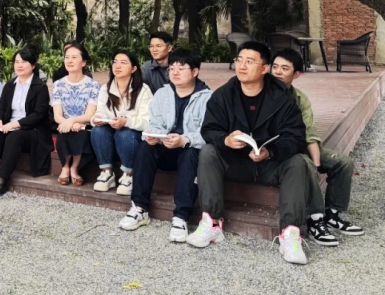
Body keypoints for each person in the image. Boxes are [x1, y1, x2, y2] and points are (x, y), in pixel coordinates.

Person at [189, 41, 312, 265]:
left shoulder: (283, 98)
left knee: (297, 162)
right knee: (208, 152)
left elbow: (295, 137)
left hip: (270, 164)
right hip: (237, 163)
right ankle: (211, 223)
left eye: (249, 61)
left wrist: (269, 151)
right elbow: (209, 129)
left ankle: (290, 234)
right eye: (239, 60)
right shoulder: (224, 95)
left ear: (264, 68)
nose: (242, 66)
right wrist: (225, 140)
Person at [271, 48, 364, 244]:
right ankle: (315, 219)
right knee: (305, 164)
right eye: (275, 67)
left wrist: (317, 163)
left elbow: (310, 134)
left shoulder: (299, 98)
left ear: (296, 74)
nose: (278, 72)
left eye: (284, 68)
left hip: (302, 146)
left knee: (343, 162)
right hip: (280, 152)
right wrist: (310, 166)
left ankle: (332, 214)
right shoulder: (263, 94)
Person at [119, 49, 212, 242]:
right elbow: (155, 122)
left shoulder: (207, 98)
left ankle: (181, 217)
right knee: (145, 147)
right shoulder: (162, 93)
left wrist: (184, 140)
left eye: (181, 68)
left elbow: (208, 133)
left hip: (187, 151)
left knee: (191, 153)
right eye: (172, 68)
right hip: (165, 147)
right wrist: (154, 135)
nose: (175, 72)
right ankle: (139, 208)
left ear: (195, 71)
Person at [0, 48, 52, 198]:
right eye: (17, 62)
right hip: (10, 127)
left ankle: (0, 181)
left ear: (33, 65)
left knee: (14, 136)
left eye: (24, 62)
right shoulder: (10, 85)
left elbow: (38, 115)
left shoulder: (40, 87)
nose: (19, 65)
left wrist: (14, 125)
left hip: (33, 131)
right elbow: (2, 107)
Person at [90, 51, 153, 195]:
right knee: (97, 131)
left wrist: (126, 121)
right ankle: (107, 173)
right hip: (111, 131)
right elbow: (100, 111)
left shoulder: (143, 90)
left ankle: (129, 175)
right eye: (115, 62)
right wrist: (98, 118)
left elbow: (147, 121)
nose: (117, 66)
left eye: (123, 63)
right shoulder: (105, 88)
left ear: (134, 68)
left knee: (124, 133)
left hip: (133, 135)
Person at [52, 43, 100, 186]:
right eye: (67, 57)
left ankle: (74, 168)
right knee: (63, 132)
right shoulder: (58, 85)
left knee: (81, 133)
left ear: (83, 62)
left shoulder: (93, 85)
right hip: (64, 124)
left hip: (84, 125)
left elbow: (89, 115)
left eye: (74, 57)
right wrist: (67, 123)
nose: (69, 61)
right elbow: (57, 115)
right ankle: (65, 167)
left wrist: (72, 121)